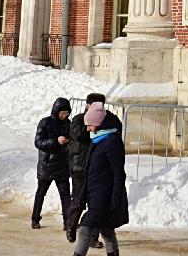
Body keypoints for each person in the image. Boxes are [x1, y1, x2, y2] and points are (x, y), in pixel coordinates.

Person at [72, 95, 128, 255]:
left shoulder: (112, 143)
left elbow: (118, 173)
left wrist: (115, 198)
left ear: (97, 124)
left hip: (105, 197)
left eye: (89, 125)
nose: (88, 129)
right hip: (95, 195)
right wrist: (83, 195)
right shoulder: (97, 140)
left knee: (85, 228)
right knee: (107, 231)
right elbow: (91, 172)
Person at [65, 92, 121, 240]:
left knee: (96, 204)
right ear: (87, 105)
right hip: (80, 166)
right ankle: (71, 226)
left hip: (98, 169)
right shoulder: (79, 119)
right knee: (78, 199)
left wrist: (103, 122)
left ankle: (93, 237)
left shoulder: (106, 119)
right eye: (94, 106)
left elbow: (117, 127)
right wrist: (93, 125)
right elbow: (78, 135)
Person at [31, 96, 74, 231]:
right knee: (40, 193)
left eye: (66, 113)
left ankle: (67, 222)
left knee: (66, 195)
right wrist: (56, 141)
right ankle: (35, 219)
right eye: (62, 113)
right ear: (56, 111)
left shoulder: (68, 124)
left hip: (62, 165)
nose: (64, 115)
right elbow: (38, 142)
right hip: (47, 166)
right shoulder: (45, 123)